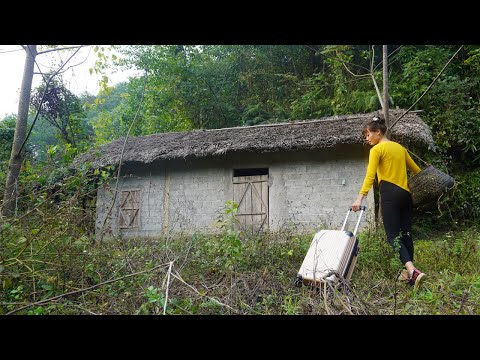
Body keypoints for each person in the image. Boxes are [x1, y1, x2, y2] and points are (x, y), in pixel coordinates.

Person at [351, 114, 426, 290]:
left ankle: (412, 271)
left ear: (378, 132)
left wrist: (359, 197)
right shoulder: (400, 148)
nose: (367, 138)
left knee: (392, 235)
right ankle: (408, 273)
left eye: (368, 134)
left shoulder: (376, 150)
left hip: (390, 193)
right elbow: (417, 171)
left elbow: (370, 176)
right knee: (406, 233)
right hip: (406, 194)